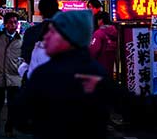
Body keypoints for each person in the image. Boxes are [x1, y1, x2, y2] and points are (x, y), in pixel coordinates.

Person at [11, 10, 113, 139]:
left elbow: (20, 116)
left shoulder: (45, 73)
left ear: (69, 37)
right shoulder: (98, 73)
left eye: (53, 32)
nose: (47, 36)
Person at [0, 11, 23, 135]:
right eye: (10, 22)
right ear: (5, 24)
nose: (13, 25)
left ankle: (9, 128)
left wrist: (18, 67)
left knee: (13, 105)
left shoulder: (20, 40)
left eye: (15, 22)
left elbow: (23, 57)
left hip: (14, 76)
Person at [19, 0, 59, 80]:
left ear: (40, 13)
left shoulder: (31, 32)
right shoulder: (66, 31)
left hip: (36, 78)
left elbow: (25, 56)